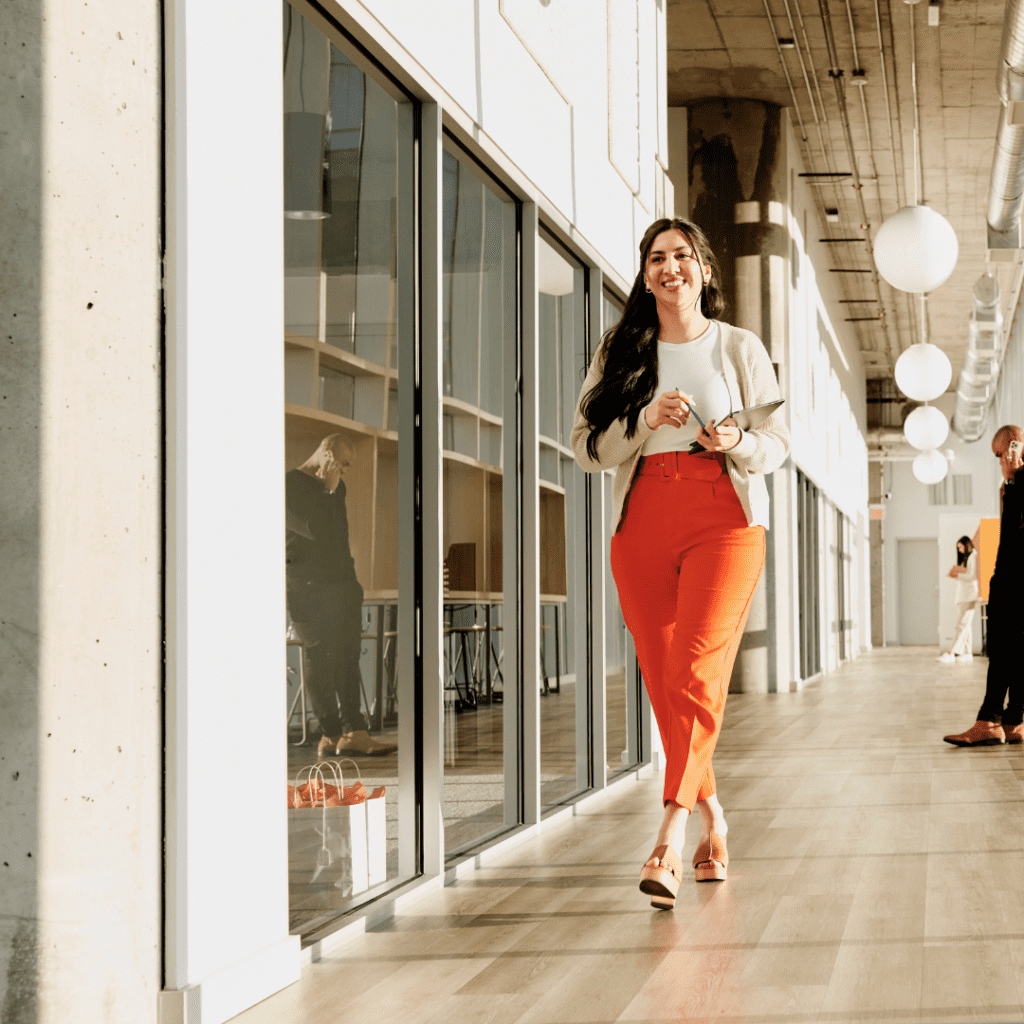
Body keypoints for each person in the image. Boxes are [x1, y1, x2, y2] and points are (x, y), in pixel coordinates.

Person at [571, 217, 790, 910]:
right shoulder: (621, 348)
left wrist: (735, 440)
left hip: (722, 517)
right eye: (658, 258)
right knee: (669, 683)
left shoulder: (738, 345)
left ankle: (669, 832)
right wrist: (643, 423)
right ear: (645, 275)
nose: (672, 267)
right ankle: (715, 821)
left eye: (684, 256)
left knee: (696, 668)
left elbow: (779, 440)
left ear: (704, 270)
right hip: (640, 522)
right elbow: (584, 446)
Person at [286, 434, 397, 757]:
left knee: (348, 657)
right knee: (319, 659)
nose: (345, 471)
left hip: (342, 585)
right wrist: (328, 489)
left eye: (348, 466)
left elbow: (339, 536)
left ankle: (355, 731)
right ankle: (331, 735)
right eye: (343, 463)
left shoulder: (337, 488)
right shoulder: (289, 485)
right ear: (325, 453)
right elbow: (315, 529)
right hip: (307, 588)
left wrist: (352, 582)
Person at [944, 424, 1024, 747]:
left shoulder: (1019, 483)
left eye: (998, 454)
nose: (998, 460)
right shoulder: (1015, 484)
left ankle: (989, 720)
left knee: (1002, 649)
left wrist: (1012, 478)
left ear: (1013, 446)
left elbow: (1017, 531)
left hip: (1014, 582)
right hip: (1012, 580)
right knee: (1016, 650)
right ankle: (1015, 719)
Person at [936, 534, 979, 664]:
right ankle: (967, 653)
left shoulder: (973, 556)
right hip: (963, 597)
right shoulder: (966, 558)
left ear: (966, 545)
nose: (959, 550)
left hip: (969, 596)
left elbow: (972, 576)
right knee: (966, 626)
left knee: (961, 626)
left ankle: (951, 653)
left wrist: (957, 575)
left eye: (960, 547)